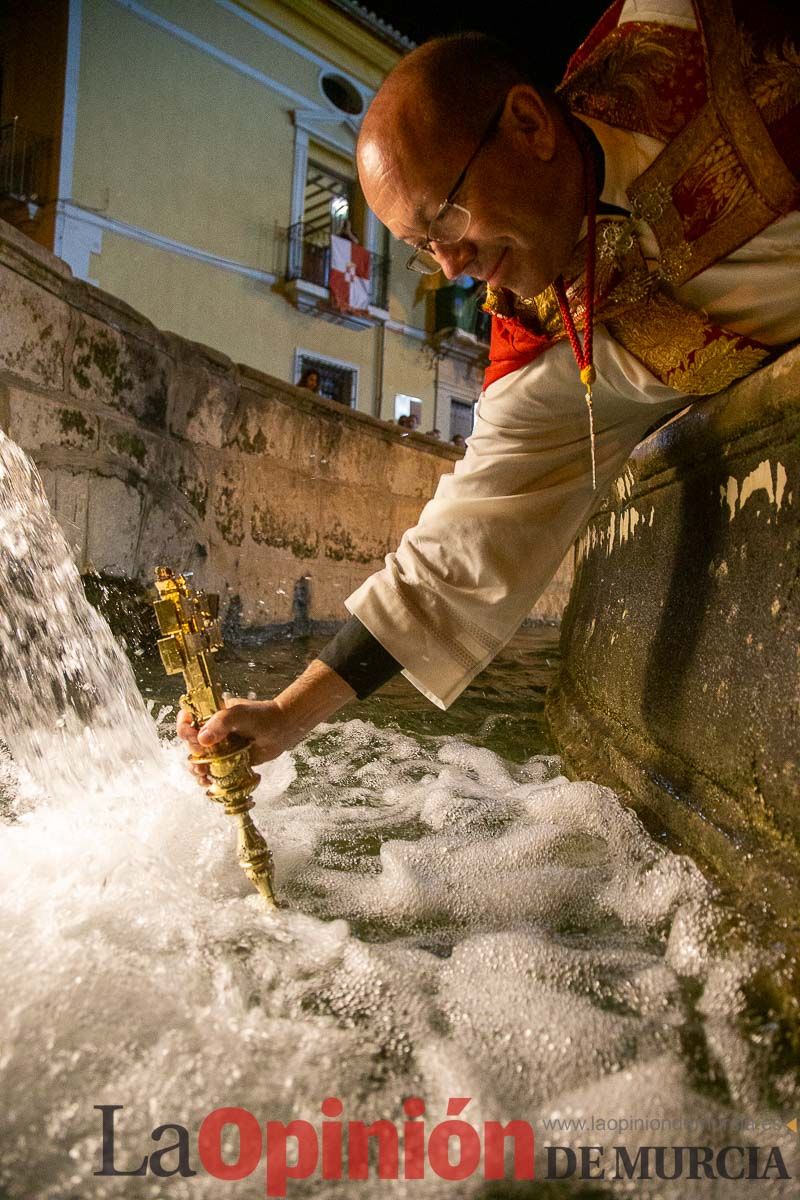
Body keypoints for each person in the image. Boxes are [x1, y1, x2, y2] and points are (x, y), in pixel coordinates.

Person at [180, 0, 799, 784]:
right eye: (421, 247)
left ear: (530, 126)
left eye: (447, 218)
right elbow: (456, 553)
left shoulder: (692, 31)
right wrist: (284, 717)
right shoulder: (545, 352)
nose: (451, 265)